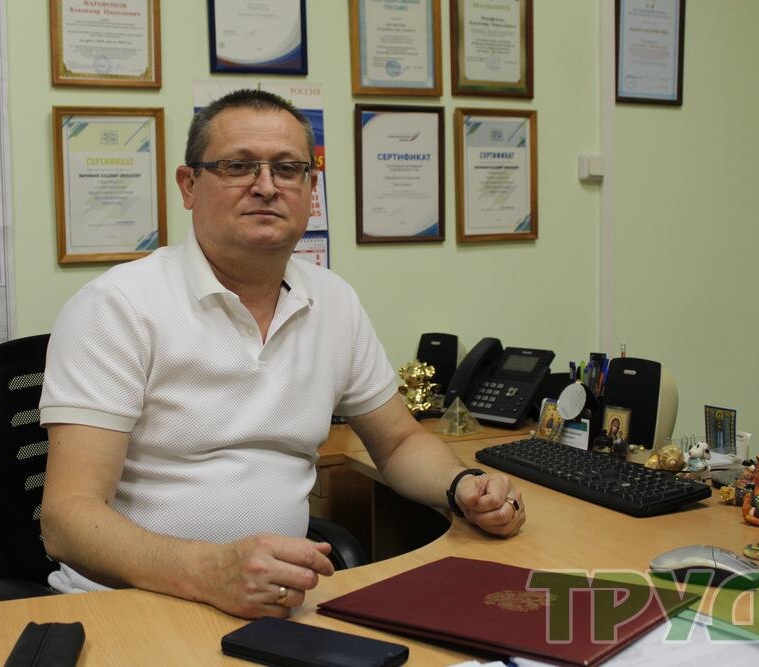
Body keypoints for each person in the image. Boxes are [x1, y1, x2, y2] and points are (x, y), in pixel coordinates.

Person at [38, 89, 526, 620]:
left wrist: (463, 488)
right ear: (188, 185)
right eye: (238, 166)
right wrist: (208, 573)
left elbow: (399, 442)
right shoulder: (119, 307)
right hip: (130, 608)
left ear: (310, 189)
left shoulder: (334, 300)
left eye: (288, 169)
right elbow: (66, 518)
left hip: (278, 605)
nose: (267, 186)